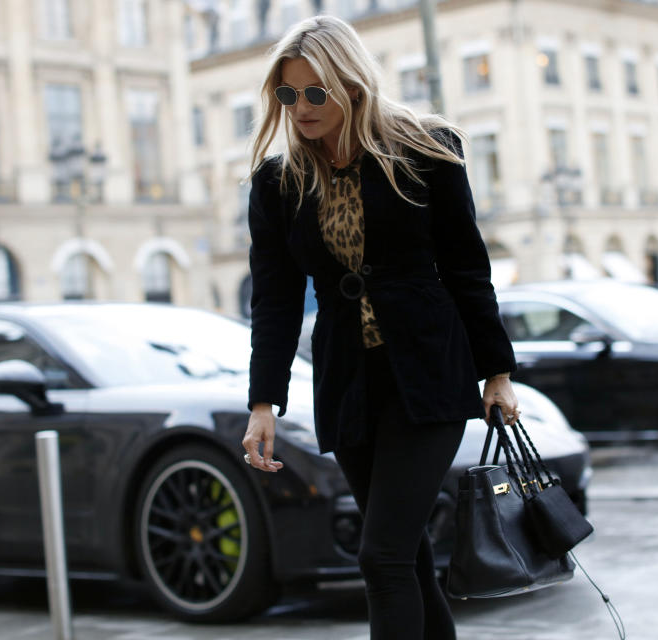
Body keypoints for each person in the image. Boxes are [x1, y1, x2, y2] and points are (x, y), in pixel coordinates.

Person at [240, 15, 520, 640]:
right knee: (408, 558)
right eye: (288, 94)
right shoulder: (279, 183)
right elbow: (276, 300)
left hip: (430, 377)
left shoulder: (425, 149)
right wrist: (264, 403)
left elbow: (468, 270)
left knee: (381, 556)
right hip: (351, 386)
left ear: (354, 87)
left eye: (316, 92)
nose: (301, 108)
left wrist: (497, 372)